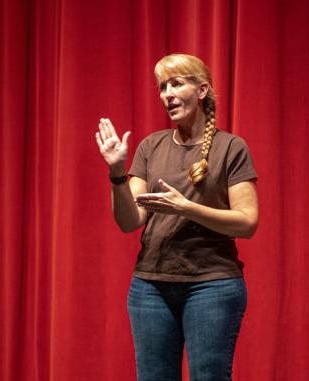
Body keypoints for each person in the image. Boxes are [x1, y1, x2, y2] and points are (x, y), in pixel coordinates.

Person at [95, 53, 259, 381]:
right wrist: (116, 173)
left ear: (201, 91)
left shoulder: (231, 147)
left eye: (176, 83)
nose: (166, 93)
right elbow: (130, 221)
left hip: (212, 285)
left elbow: (247, 222)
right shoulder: (150, 146)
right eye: (162, 87)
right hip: (150, 286)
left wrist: (186, 208)